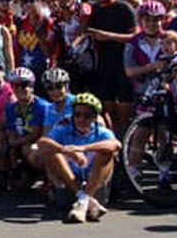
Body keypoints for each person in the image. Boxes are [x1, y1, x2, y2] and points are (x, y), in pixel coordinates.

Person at [37, 93, 120, 223]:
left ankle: (84, 200)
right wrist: (65, 150)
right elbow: (42, 143)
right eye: (77, 114)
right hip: (69, 188)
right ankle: (84, 199)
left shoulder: (101, 132)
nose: (81, 119)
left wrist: (83, 148)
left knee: (106, 153)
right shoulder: (64, 127)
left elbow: (116, 145)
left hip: (95, 188)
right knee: (51, 152)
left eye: (87, 116)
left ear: (95, 117)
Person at [85, 0, 138, 134]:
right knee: (107, 111)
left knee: (125, 113)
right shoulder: (93, 10)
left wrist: (108, 36)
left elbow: (136, 38)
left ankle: (125, 141)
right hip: (103, 66)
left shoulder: (123, 8)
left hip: (124, 65)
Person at [4, 67, 50, 191]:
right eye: (15, 86)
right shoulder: (11, 108)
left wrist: (15, 142)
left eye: (24, 85)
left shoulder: (42, 106)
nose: (20, 89)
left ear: (32, 86)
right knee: (4, 147)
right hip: (21, 141)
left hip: (40, 142)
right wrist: (12, 143)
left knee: (27, 148)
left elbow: (36, 134)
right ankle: (14, 174)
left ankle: (47, 178)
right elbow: (11, 131)